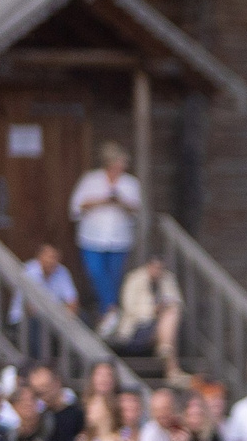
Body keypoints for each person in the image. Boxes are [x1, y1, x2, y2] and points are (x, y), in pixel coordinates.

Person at [69, 141, 141, 319]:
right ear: (109, 162)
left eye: (123, 163)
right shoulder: (91, 180)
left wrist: (121, 202)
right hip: (92, 237)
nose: (122, 166)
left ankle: (106, 313)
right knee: (96, 272)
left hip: (119, 239)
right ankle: (111, 310)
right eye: (119, 162)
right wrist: (102, 201)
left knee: (114, 276)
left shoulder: (130, 183)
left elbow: (136, 210)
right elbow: (76, 207)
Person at [108, 253, 185, 381]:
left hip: (160, 324)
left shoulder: (167, 278)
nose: (157, 271)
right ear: (148, 266)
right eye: (155, 267)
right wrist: (153, 310)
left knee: (172, 312)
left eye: (160, 268)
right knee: (169, 319)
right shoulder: (134, 279)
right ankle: (170, 364)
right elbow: (129, 308)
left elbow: (176, 301)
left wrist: (163, 308)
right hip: (136, 326)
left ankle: (165, 349)